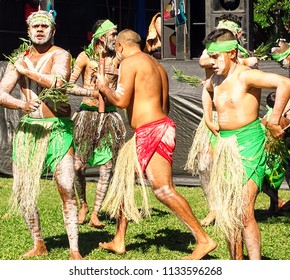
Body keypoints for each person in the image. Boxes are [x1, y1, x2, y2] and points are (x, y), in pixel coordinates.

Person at [95, 29, 217, 260]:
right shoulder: (157, 65)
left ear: (120, 46)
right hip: (155, 128)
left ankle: (203, 239)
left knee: (162, 190)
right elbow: (165, 105)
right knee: (123, 182)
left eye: (116, 50)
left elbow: (121, 101)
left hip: (152, 131)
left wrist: (103, 86)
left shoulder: (129, 63)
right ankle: (119, 239)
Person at [201, 28, 290, 260]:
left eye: (215, 57)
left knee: (243, 210)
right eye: (210, 57)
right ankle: (236, 263)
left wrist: (273, 119)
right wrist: (208, 118)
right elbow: (205, 89)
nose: (212, 62)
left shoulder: (245, 75)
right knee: (229, 210)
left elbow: (284, 83)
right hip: (225, 146)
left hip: (249, 144)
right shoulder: (216, 79)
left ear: (231, 53)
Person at [0, 10, 82, 260]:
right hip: (29, 131)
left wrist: (30, 71)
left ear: (53, 31)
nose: (39, 29)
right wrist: (20, 105)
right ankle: (39, 243)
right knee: (24, 189)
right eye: (34, 26)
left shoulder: (61, 55)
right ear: (27, 31)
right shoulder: (18, 60)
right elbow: (1, 92)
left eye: (44, 26)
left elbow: (59, 82)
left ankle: (74, 249)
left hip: (57, 129)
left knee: (66, 185)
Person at [187, 13, 258, 227]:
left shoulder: (240, 57)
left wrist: (245, 61)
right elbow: (202, 61)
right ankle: (214, 208)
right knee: (204, 163)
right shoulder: (213, 51)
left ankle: (240, 206)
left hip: (237, 120)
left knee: (235, 166)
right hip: (214, 115)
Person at [68, 19, 126, 227]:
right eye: (113, 34)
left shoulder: (119, 60)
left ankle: (95, 212)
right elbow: (68, 86)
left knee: (107, 166)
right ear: (101, 37)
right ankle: (83, 204)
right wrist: (92, 92)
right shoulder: (85, 57)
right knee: (77, 166)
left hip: (109, 116)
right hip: (87, 116)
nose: (116, 38)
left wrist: (112, 93)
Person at [261, 92, 290, 213]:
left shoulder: (264, 120)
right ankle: (274, 205)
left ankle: (275, 202)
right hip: (282, 154)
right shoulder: (284, 120)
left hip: (271, 155)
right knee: (273, 182)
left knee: (267, 181)